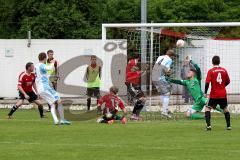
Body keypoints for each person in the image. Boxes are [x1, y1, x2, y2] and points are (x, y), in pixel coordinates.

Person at [35, 52, 71, 125]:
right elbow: (49, 68)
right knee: (59, 100)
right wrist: (52, 62)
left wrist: (53, 76)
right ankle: (62, 119)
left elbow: (43, 76)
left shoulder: (36, 66)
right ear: (45, 58)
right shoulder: (42, 65)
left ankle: (56, 120)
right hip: (45, 87)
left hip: (40, 89)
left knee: (52, 105)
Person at [205, 55, 231, 131]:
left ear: (212, 62)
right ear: (219, 62)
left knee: (207, 108)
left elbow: (207, 83)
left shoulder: (210, 71)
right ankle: (228, 126)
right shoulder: (224, 70)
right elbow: (228, 81)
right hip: (223, 93)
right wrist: (222, 86)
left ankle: (209, 126)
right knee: (225, 109)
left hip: (214, 94)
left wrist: (205, 92)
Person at [152, 49, 175, 118]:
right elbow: (167, 71)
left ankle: (166, 109)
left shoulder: (160, 57)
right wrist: (171, 72)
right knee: (167, 93)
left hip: (153, 76)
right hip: (159, 77)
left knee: (163, 93)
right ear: (172, 56)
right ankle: (164, 112)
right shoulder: (169, 60)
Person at [125, 54, 146, 120]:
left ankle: (135, 115)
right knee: (141, 99)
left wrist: (145, 69)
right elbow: (140, 72)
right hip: (132, 87)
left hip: (135, 87)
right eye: (133, 68)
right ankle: (134, 115)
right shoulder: (130, 73)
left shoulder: (136, 73)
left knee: (143, 100)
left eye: (135, 67)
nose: (134, 68)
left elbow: (142, 72)